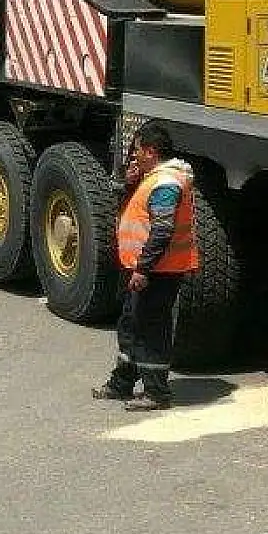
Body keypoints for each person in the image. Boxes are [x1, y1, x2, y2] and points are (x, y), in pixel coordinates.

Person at [93, 122, 200, 410]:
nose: (134, 156)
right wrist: (128, 183)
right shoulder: (152, 178)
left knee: (151, 328)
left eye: (138, 150)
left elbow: (162, 230)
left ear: (151, 152)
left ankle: (156, 392)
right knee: (131, 323)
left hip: (157, 271)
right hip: (146, 268)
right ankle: (122, 383)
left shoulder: (166, 183)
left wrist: (143, 269)